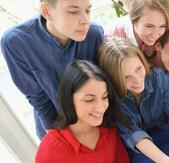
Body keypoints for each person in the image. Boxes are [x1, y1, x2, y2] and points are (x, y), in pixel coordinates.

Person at [35, 60, 153, 163]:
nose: (100, 108)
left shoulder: (108, 127)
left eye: (104, 97)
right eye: (90, 100)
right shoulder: (49, 154)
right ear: (68, 100)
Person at [1, 0, 104, 139]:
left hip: (95, 125)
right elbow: (38, 99)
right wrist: (61, 137)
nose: (85, 21)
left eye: (87, 10)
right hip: (55, 128)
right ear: (46, 11)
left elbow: (102, 89)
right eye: (73, 11)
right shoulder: (16, 42)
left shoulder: (94, 34)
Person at [105, 0, 169, 59]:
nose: (155, 35)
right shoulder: (114, 38)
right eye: (149, 26)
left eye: (162, 26)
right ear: (134, 20)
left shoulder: (168, 31)